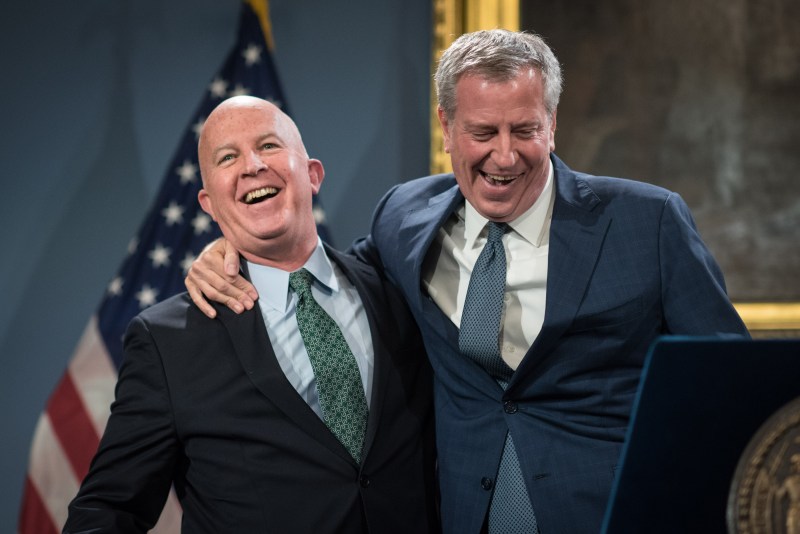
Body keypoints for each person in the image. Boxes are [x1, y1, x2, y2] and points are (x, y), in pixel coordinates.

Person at [185, 30, 750, 533]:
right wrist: (234, 246)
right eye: (483, 132)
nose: (504, 155)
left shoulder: (646, 222)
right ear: (447, 128)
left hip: (616, 514)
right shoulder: (404, 218)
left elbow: (728, 384)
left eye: (524, 130)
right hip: (463, 513)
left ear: (552, 125)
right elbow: (335, 273)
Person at [63, 96, 438, 533]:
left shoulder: (398, 286)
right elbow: (107, 510)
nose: (252, 166)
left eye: (269, 145)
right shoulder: (167, 341)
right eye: (228, 157)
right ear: (209, 203)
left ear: (313, 175)